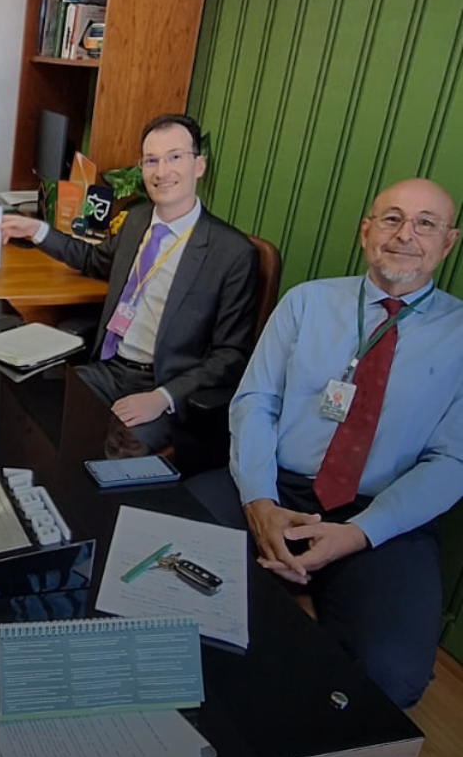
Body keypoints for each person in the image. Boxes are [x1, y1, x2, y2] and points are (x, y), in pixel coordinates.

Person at [189, 178, 462, 710]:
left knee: (392, 675)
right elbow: (255, 402)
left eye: (425, 224)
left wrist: (358, 533)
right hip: (277, 485)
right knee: (162, 548)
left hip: (380, 513)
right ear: (366, 232)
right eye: (391, 218)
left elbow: (453, 460)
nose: (405, 235)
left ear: (448, 243)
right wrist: (260, 502)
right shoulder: (307, 302)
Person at [2, 113, 259, 449]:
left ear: (199, 166)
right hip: (108, 370)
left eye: (175, 157)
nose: (161, 171)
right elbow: (93, 260)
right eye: (151, 160)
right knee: (29, 408)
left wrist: (164, 397)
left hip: (162, 383)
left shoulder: (232, 253)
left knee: (116, 453)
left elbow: (231, 355)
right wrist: (37, 230)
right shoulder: (136, 220)